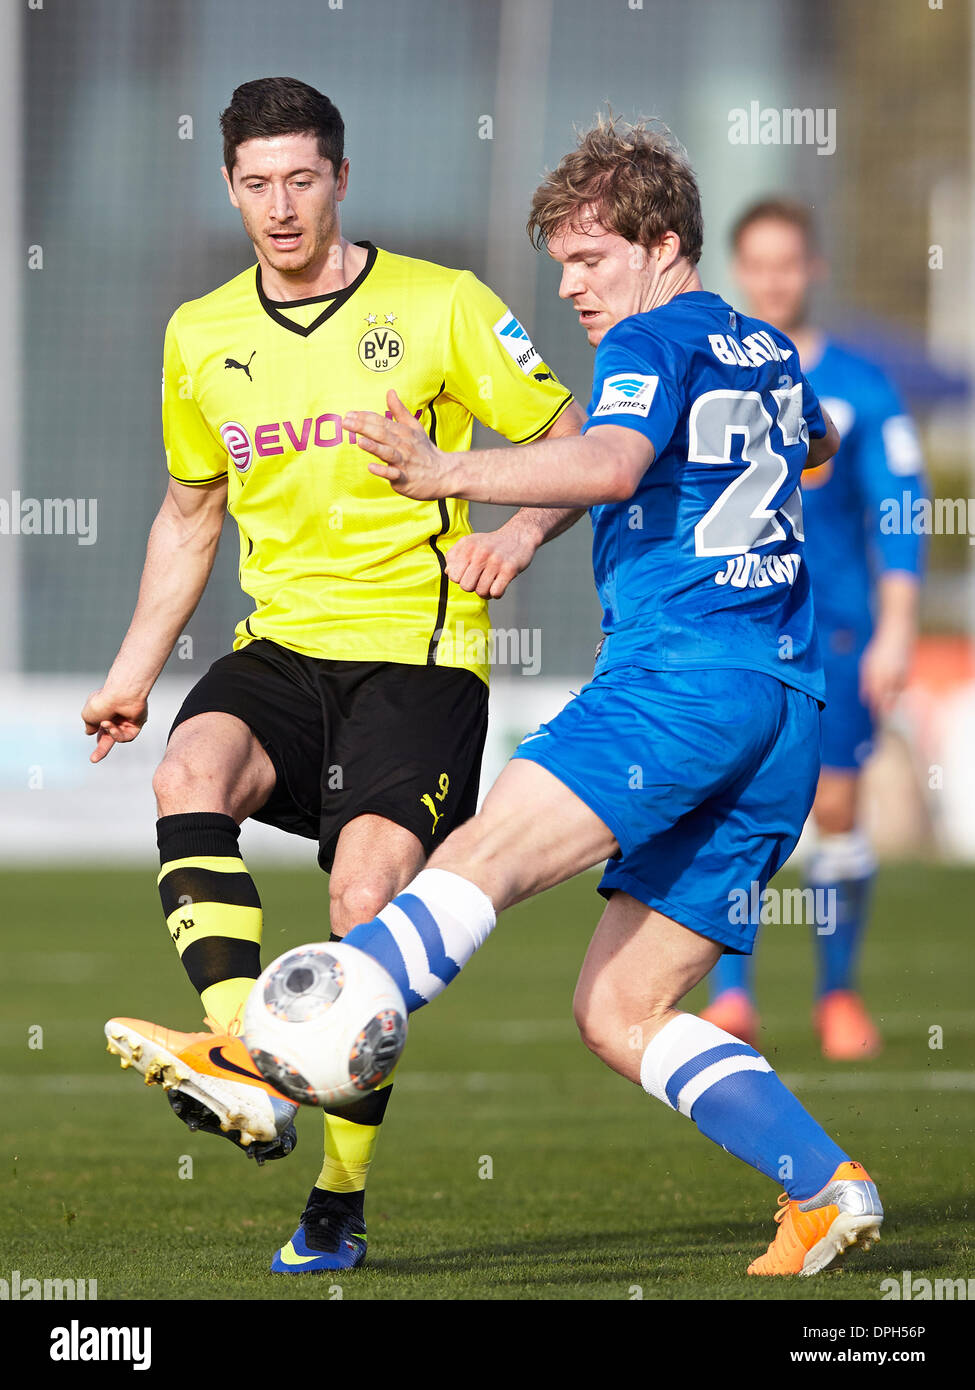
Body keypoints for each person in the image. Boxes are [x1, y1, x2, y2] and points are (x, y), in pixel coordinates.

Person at [326, 115, 885, 1277]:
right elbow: (812, 446)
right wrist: (541, 528)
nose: (574, 287)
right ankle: (826, 1182)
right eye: (563, 264)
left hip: (679, 683)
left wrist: (449, 471)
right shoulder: (769, 349)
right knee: (618, 1006)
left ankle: (290, 1032)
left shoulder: (646, 339)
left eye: (590, 259)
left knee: (479, 855)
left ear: (663, 241)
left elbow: (619, 458)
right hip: (785, 712)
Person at [82, 76, 583, 1274]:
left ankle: (336, 1201)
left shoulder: (442, 305)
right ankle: (241, 1057)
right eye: (256, 183)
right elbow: (191, 511)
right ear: (230, 187)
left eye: (302, 179)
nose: (280, 206)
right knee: (188, 769)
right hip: (283, 647)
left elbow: (572, 444)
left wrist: (513, 530)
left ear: (342, 178)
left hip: (418, 653)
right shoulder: (202, 333)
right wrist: (131, 670)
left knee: (365, 904)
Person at [702, 198, 926, 1058]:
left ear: (811, 268)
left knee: (834, 804)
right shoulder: (709, 373)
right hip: (736, 625)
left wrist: (896, 628)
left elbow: (900, 511)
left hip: (834, 632)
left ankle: (836, 996)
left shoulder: (862, 387)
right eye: (755, 264)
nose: (771, 279)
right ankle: (731, 994)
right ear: (737, 269)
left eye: (785, 263)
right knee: (730, 804)